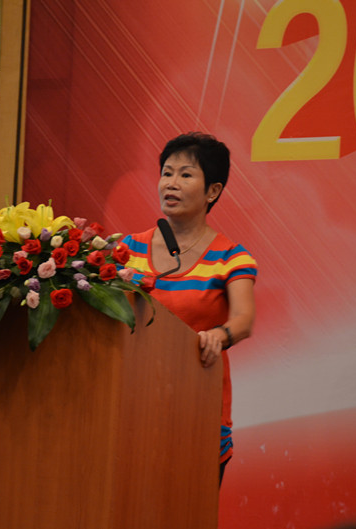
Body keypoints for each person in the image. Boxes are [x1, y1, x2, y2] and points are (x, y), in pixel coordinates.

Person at [120, 132, 257, 485]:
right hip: (129, 400)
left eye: (185, 175)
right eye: (167, 173)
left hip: (196, 402)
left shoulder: (231, 257)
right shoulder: (126, 249)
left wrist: (218, 335)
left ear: (213, 191)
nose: (171, 183)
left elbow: (243, 319)